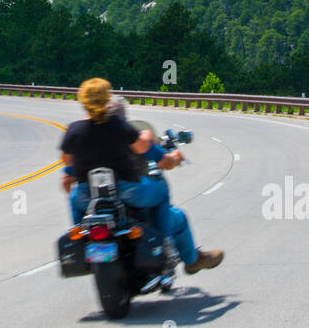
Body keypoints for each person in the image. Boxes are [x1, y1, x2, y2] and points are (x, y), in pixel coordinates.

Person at [60, 78, 222, 275]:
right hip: (126, 190)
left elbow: (68, 171)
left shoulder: (74, 131)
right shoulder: (118, 125)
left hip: (89, 196)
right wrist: (169, 158)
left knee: (74, 198)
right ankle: (164, 243)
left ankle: (81, 237)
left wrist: (74, 180)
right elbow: (150, 152)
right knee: (161, 191)